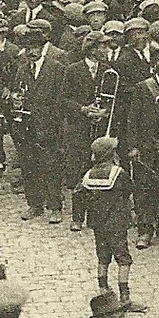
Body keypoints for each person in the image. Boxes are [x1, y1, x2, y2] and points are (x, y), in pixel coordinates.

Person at [79, 135, 147, 312]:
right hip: (116, 223)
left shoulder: (88, 175)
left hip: (97, 223)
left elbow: (79, 194)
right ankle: (125, 297)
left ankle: (103, 290)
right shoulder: (118, 173)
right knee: (123, 259)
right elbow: (130, 189)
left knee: (103, 257)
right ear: (112, 154)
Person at [125, 42, 159, 248]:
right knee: (144, 189)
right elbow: (132, 119)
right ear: (153, 64)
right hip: (147, 146)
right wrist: (133, 146)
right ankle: (144, 230)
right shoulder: (142, 87)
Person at [16, 25, 70, 223]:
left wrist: (55, 124)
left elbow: (61, 99)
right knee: (29, 166)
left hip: (49, 125)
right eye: (28, 47)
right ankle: (34, 205)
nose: (31, 51)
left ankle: (55, 206)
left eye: (35, 47)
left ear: (42, 47)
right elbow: (19, 93)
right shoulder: (22, 69)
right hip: (27, 126)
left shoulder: (56, 68)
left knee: (51, 167)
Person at [63, 30, 114, 230]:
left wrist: (106, 112)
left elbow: (114, 99)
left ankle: (99, 216)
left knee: (101, 171)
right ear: (92, 49)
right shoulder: (73, 70)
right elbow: (64, 99)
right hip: (79, 130)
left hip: (101, 129)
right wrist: (83, 110)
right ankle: (77, 217)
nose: (106, 50)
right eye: (103, 46)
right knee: (79, 172)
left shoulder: (109, 71)